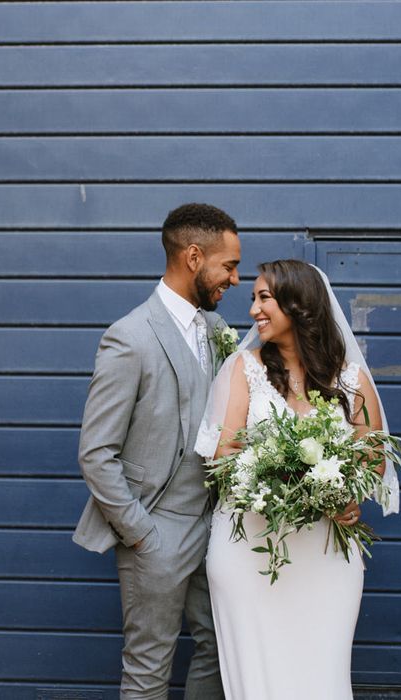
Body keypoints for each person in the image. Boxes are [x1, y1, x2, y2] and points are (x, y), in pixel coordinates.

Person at [195, 259, 399, 700]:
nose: (253, 310)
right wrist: (279, 475)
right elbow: (222, 452)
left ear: (299, 304)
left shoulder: (351, 379)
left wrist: (345, 495)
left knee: (321, 675)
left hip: (326, 554)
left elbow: (373, 462)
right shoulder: (243, 370)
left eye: (264, 298)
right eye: (253, 298)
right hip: (249, 550)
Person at [73, 202, 241, 699]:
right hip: (156, 530)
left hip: (213, 528)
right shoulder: (129, 338)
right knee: (148, 669)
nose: (234, 279)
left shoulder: (215, 331)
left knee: (220, 647)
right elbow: (95, 454)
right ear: (193, 256)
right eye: (228, 266)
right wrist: (143, 535)